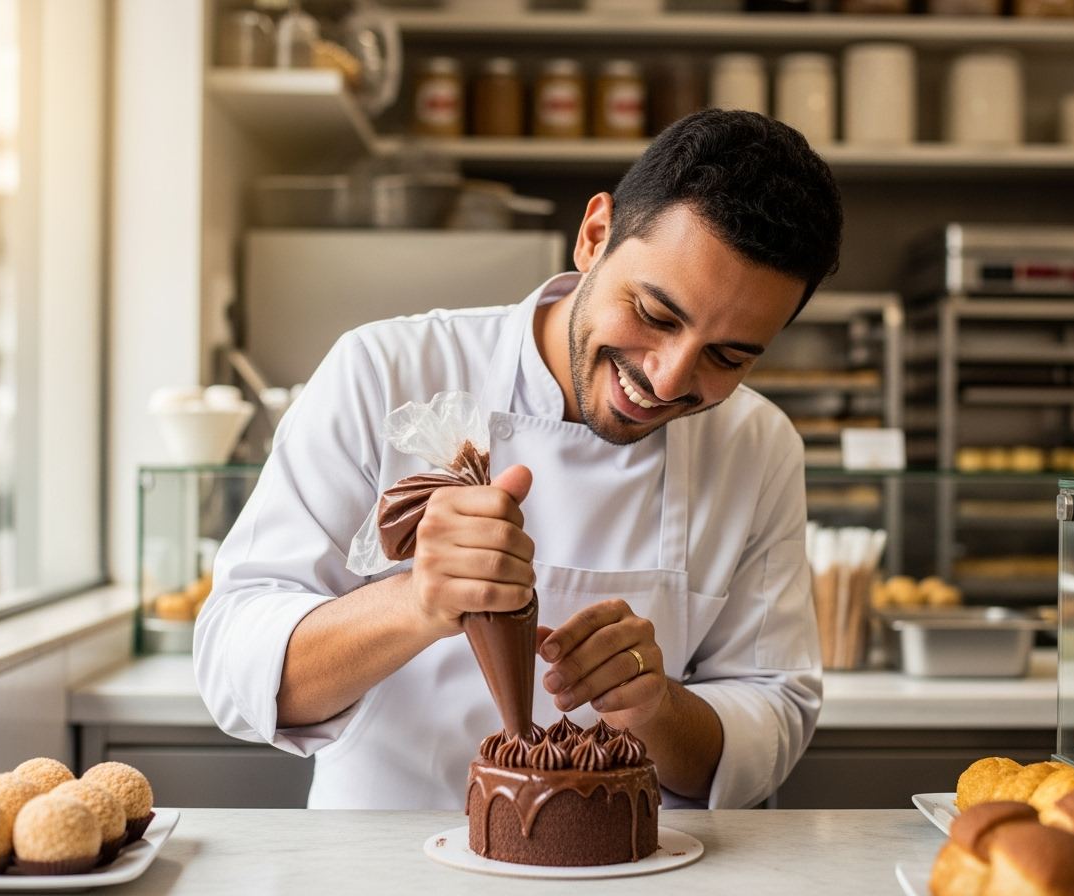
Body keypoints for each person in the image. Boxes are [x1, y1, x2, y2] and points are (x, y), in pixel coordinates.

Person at [195, 109, 844, 810]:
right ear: (595, 236)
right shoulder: (383, 372)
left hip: (636, 874)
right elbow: (234, 666)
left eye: (728, 357)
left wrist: (656, 709)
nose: (666, 379)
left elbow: (773, 717)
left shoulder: (758, 446)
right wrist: (414, 601)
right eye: (656, 314)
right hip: (386, 869)